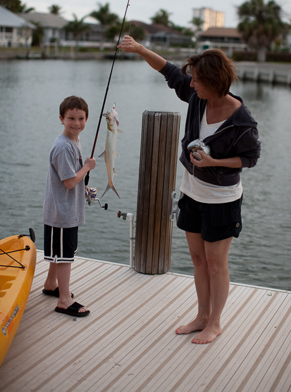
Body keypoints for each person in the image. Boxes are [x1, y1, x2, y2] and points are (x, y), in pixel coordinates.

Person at [119, 36, 261, 344]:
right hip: (192, 193)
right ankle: (201, 316)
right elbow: (169, 71)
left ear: (213, 81)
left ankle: (215, 322)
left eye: (197, 80)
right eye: (192, 80)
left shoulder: (242, 120)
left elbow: (251, 158)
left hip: (222, 200)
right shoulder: (199, 97)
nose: (191, 84)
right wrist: (141, 49)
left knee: (215, 263)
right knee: (198, 260)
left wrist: (213, 162)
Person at [42, 96, 96, 317]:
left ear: (86, 118)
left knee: (60, 251)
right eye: (71, 118)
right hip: (62, 213)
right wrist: (87, 167)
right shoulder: (64, 147)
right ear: (61, 119)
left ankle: (50, 284)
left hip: (66, 209)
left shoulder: (74, 140)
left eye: (80, 118)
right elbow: (69, 181)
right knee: (65, 256)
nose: (76, 123)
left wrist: (84, 188)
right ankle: (64, 300)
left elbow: (72, 181)